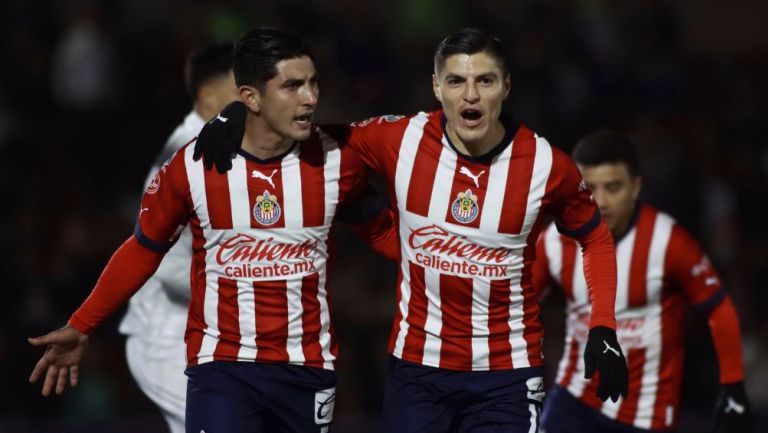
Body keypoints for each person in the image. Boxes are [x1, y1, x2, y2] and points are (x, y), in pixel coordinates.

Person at [195, 27, 628, 433]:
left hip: (507, 376)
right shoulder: (400, 139)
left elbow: (595, 237)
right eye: (456, 81)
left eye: (486, 81)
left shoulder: (547, 165)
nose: (471, 95)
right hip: (416, 375)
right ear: (437, 88)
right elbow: (306, 134)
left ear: (507, 87)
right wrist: (237, 114)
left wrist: (603, 327)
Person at [28, 28, 397, 433]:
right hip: (223, 369)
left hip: (308, 368)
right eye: (292, 86)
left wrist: (451, 263)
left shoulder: (337, 161)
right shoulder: (193, 166)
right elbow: (143, 249)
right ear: (251, 97)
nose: (310, 97)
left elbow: (379, 229)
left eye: (313, 83)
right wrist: (82, 324)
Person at [533, 131, 753, 433]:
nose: (601, 201)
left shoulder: (668, 242)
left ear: (636, 187)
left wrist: (733, 385)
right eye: (590, 188)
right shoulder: (556, 241)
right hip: (574, 401)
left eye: (613, 188)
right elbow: (512, 303)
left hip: (644, 413)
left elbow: (719, 309)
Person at [118, 41, 236, 433]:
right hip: (165, 338)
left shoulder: (229, 149)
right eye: (241, 87)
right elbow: (165, 267)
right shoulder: (185, 155)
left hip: (206, 337)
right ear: (207, 96)